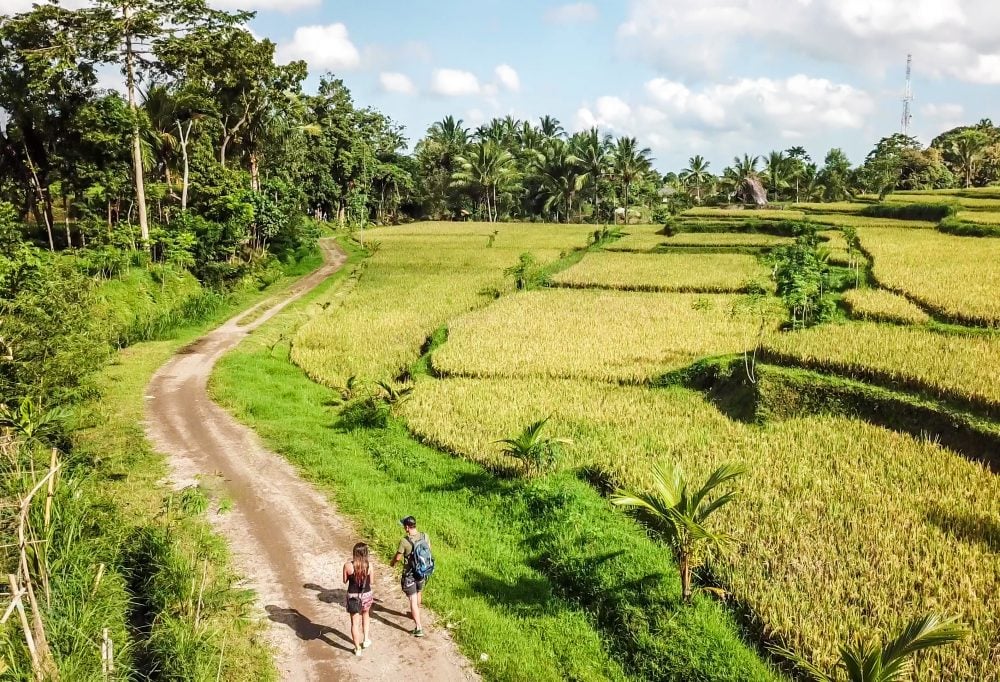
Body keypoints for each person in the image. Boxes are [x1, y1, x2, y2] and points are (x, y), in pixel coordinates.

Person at [390, 515, 432, 637]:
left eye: (404, 526)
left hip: (409, 575)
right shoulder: (425, 536)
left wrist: (392, 563)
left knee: (412, 600)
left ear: (407, 527)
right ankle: (416, 612)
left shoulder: (405, 541)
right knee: (419, 592)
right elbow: (429, 550)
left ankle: (419, 628)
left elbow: (398, 557)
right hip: (422, 572)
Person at [343, 542, 374, 656]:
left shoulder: (347, 566)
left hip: (353, 597)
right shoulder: (369, 565)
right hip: (366, 595)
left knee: (354, 623)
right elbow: (372, 581)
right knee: (366, 615)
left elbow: (344, 580)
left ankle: (357, 649)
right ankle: (366, 639)